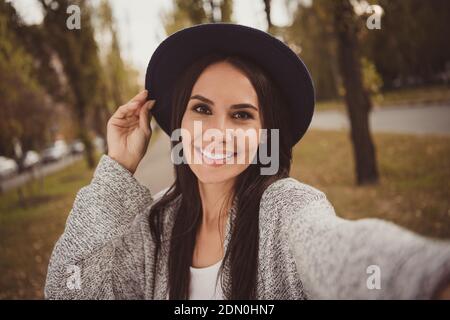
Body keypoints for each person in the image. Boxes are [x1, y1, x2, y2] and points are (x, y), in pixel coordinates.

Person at [44, 23, 450, 300]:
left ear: (265, 134)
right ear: (179, 121)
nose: (217, 131)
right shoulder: (157, 224)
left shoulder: (285, 211)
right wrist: (118, 168)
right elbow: (68, 290)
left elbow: (347, 251)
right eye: (201, 109)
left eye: (241, 115)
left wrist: (428, 275)